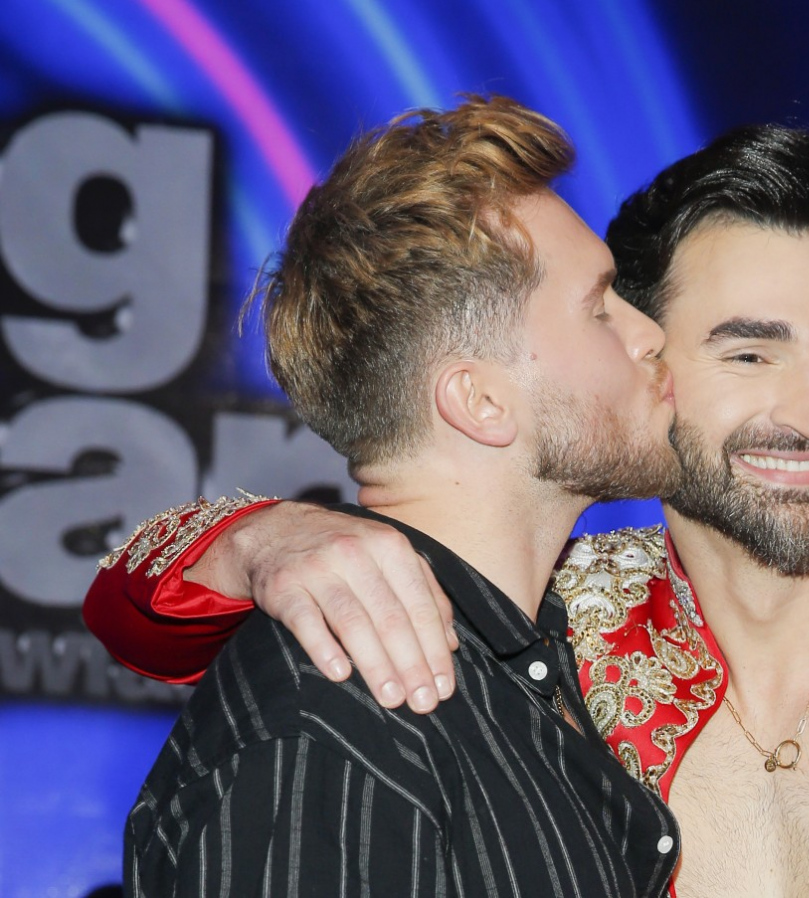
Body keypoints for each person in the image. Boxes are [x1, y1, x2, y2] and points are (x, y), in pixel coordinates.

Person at [87, 124, 809, 897]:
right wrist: (266, 537)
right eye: (749, 351)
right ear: (646, 359)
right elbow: (138, 618)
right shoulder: (543, 621)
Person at [108, 96, 683, 897]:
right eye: (599, 308)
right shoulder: (337, 719)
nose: (649, 334)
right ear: (481, 401)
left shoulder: (519, 667)